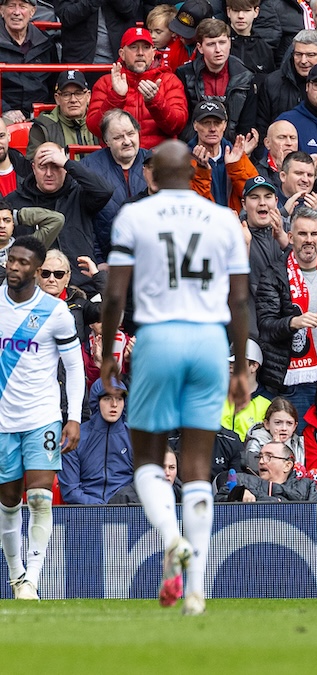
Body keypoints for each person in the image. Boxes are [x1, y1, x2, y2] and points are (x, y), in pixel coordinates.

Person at [98, 140, 251, 616]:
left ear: (152, 176)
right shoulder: (224, 220)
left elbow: (115, 295)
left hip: (160, 337)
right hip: (209, 342)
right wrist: (242, 364)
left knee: (147, 457)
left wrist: (107, 353)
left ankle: (170, 537)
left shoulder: (135, 217)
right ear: (194, 170)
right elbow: (239, 301)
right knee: (198, 466)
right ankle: (197, 591)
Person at [0, 236, 85, 600]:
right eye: (11, 261)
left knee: (39, 498)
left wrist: (74, 417)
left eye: (21, 263)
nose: (13, 267)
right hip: (3, 420)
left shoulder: (56, 313)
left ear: (36, 271)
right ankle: (16, 572)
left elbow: (75, 367)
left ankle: (32, 579)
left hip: (42, 416)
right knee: (8, 501)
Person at [255, 206, 317, 413]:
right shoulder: (274, 274)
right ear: (290, 237)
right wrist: (293, 323)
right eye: (302, 233)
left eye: (313, 234)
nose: (308, 239)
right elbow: (266, 326)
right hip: (293, 381)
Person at [8, 143, 114, 291]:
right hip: (31, 289)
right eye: (43, 166)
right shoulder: (14, 202)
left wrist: (67, 162)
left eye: (56, 166)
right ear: (33, 168)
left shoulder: (79, 194)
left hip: (80, 285)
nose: (49, 173)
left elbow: (105, 191)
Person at [88, 26, 188, 149]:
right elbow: (95, 129)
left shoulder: (169, 81)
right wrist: (116, 97)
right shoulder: (106, 82)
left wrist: (155, 101)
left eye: (146, 47)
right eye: (134, 47)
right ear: (122, 54)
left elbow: (177, 126)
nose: (140, 53)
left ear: (153, 53)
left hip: (158, 162)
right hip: (117, 160)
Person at [80, 110, 152, 260]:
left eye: (131, 134)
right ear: (106, 141)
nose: (127, 141)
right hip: (107, 261)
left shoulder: (155, 163)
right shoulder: (88, 167)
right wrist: (98, 261)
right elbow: (85, 221)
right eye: (118, 137)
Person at [176, 18, 258, 143]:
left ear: (229, 43)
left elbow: (247, 122)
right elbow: (184, 121)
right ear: (200, 47)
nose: (218, 49)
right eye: (211, 44)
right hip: (193, 145)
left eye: (222, 42)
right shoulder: (184, 74)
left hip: (232, 146)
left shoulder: (246, 76)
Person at [59, 378, 132, 505]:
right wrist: (101, 508)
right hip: (85, 512)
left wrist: (120, 502)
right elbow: (70, 490)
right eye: (107, 398)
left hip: (127, 509)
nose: (114, 404)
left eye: (119, 399)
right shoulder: (76, 437)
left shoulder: (134, 437)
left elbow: (145, 481)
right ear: (96, 402)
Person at [0, 0, 57, 122]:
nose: (16, 12)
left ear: (32, 12)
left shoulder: (45, 42)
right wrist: (4, 109)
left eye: (22, 7)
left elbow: (54, 83)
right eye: (11, 6)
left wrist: (47, 113)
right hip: (4, 114)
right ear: (1, 11)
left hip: (42, 114)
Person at [217, 440, 317, 502]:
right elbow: (218, 501)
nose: (261, 462)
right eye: (260, 456)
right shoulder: (241, 480)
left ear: (287, 465)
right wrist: (237, 495)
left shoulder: (307, 486)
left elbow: (316, 518)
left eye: (269, 457)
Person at [26, 70, 97, 162]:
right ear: (57, 98)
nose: (73, 100)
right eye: (66, 95)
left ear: (88, 96)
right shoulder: (43, 126)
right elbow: (34, 164)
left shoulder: (100, 122)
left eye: (78, 93)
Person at [221, 338, 272, 440]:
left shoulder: (269, 403)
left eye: (237, 361)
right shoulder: (216, 397)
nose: (230, 366)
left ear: (254, 366)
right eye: (229, 362)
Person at [245, 396, 306, 471]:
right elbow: (255, 470)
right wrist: (274, 448)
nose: (284, 428)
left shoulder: (300, 444)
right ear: (267, 424)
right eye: (278, 422)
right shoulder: (256, 442)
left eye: (289, 423)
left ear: (294, 426)